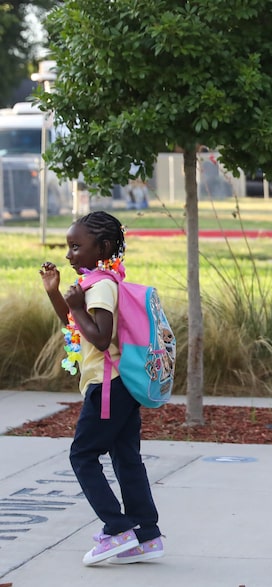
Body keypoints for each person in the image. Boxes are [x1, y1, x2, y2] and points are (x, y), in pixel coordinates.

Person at [39, 211, 164, 566]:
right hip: (120, 385)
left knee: (82, 455)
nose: (69, 255)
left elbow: (100, 336)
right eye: (68, 247)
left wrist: (77, 304)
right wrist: (56, 294)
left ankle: (117, 529)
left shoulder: (103, 286)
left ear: (103, 247)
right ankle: (146, 534)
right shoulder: (101, 281)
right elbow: (76, 325)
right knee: (126, 457)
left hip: (107, 386)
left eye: (77, 247)